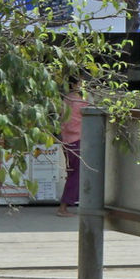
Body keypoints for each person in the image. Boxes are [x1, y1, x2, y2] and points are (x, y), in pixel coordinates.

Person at [56, 77, 86, 216]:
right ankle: (63, 207)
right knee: (76, 175)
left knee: (71, 173)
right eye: (81, 82)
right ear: (75, 84)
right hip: (77, 140)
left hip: (67, 140)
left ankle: (67, 204)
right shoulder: (79, 102)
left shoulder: (66, 99)